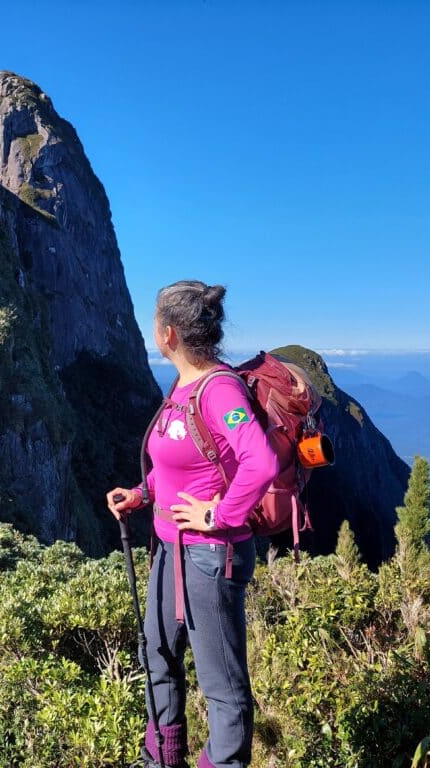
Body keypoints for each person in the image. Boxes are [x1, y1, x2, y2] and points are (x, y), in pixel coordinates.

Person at [107, 280, 279, 768]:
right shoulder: (181, 386)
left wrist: (218, 515)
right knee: (157, 656)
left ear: (167, 333)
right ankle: (161, 759)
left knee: (222, 687)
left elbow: (260, 463)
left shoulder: (219, 388)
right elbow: (179, 465)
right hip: (170, 549)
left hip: (210, 555)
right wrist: (141, 495)